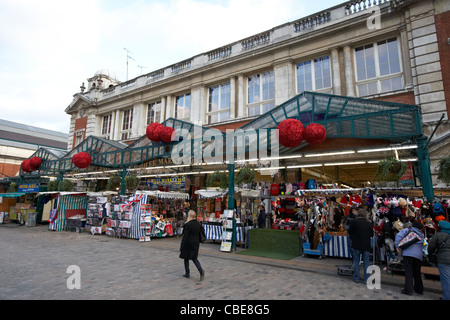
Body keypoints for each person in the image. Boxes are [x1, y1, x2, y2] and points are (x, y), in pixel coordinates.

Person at [395, 220, 425, 296]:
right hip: (418, 256)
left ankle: (408, 290)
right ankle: (419, 289)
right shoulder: (421, 234)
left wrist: (398, 246)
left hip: (408, 254)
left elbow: (398, 236)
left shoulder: (408, 230)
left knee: (409, 272)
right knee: (417, 273)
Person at [348, 209, 373, 284]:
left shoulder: (354, 222)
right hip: (366, 244)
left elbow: (350, 232)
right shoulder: (368, 223)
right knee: (366, 262)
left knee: (356, 261)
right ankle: (366, 279)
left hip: (356, 244)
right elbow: (371, 234)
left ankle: (356, 278)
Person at [179, 210, 205, 281]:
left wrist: (182, 246)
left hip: (188, 243)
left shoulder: (188, 224)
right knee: (194, 258)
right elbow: (202, 231)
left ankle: (187, 272)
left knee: (186, 258)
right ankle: (200, 270)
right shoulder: (198, 223)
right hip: (196, 242)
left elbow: (185, 236)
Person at [428, 220, 450, 300]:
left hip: (443, 260)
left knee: (446, 279)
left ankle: (447, 297)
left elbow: (431, 247)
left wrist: (430, 254)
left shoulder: (438, 235)